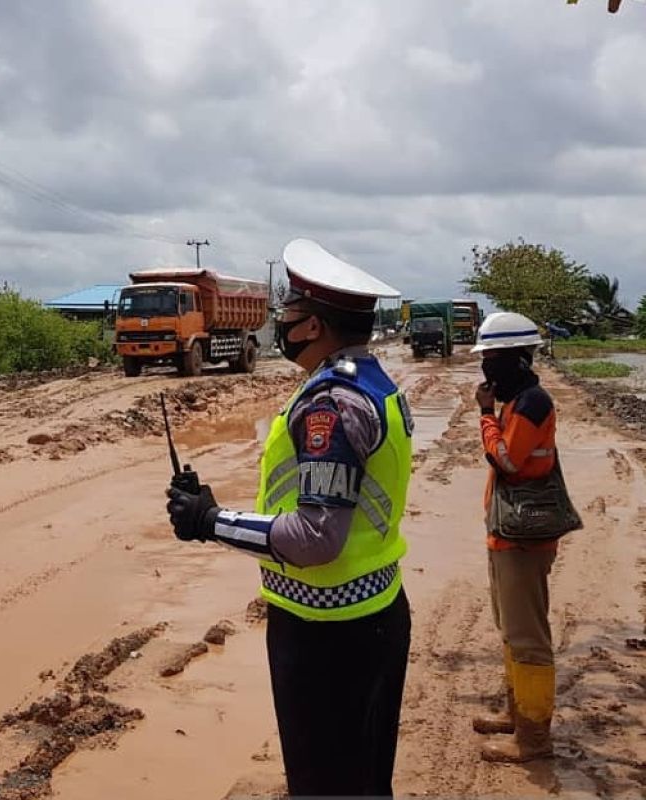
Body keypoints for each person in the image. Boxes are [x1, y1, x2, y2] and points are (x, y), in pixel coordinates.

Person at [166, 238, 414, 797]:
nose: (281, 324)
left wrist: (210, 521)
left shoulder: (332, 403)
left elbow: (315, 537)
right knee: (364, 780)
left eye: (290, 315)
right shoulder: (371, 383)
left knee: (324, 784)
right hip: (374, 608)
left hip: (329, 631)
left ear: (313, 328)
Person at [470, 312, 557, 763]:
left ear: (516, 359)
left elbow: (505, 459)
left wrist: (484, 415)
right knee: (511, 628)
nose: (486, 368)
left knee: (527, 637)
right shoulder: (519, 399)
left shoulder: (530, 404)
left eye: (491, 358)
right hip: (509, 529)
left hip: (524, 535)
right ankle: (517, 714)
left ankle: (534, 740)